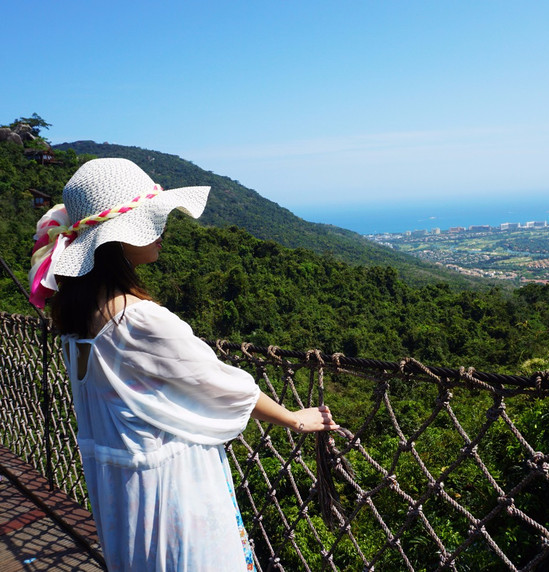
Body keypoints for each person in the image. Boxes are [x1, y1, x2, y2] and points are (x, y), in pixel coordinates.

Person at [28, 158, 338, 571]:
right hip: (169, 494)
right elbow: (221, 385)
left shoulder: (76, 316)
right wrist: (295, 420)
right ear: (115, 240)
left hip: (121, 492)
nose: (162, 228)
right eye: (149, 220)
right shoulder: (137, 319)